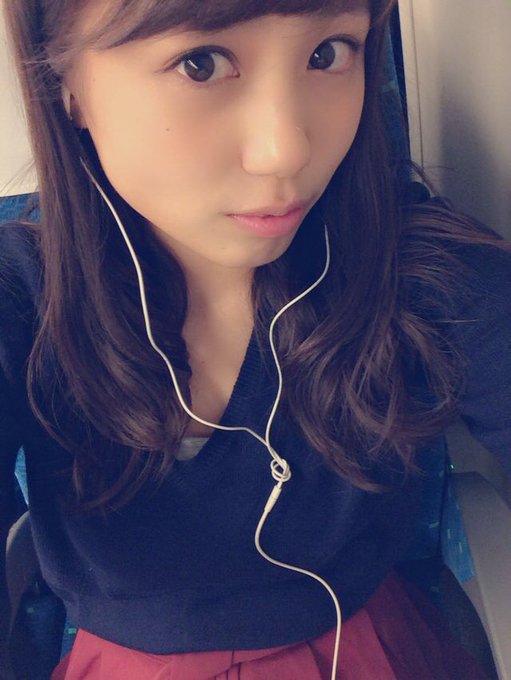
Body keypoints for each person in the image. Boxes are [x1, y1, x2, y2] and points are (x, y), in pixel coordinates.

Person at [1, 0, 510, 678]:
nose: (287, 150)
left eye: (328, 53)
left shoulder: (410, 264)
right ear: (66, 85)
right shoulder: (23, 297)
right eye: (200, 63)